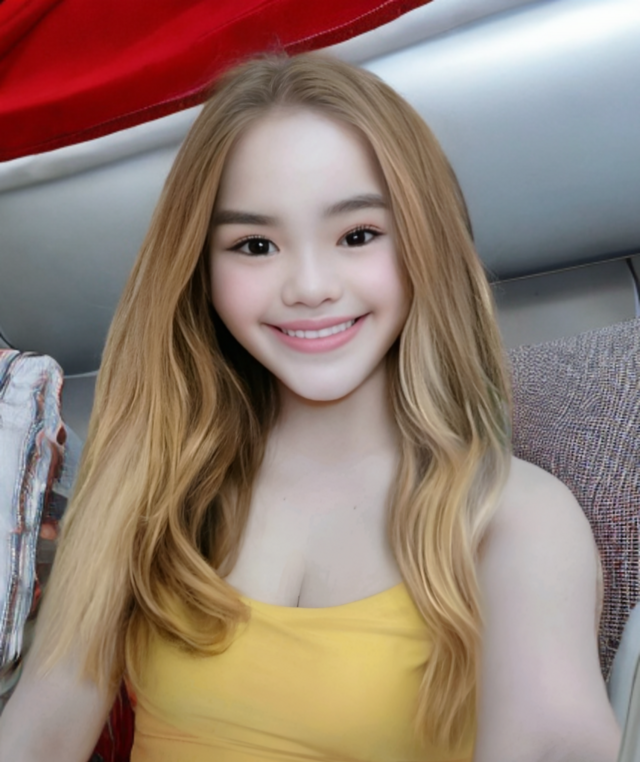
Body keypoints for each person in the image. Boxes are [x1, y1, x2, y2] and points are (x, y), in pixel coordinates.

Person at [0, 52, 620, 762]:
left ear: (426, 242)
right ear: (201, 269)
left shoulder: (515, 516)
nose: (310, 286)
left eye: (357, 236)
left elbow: (553, 742)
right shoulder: (146, 487)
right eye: (255, 245)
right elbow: (42, 732)